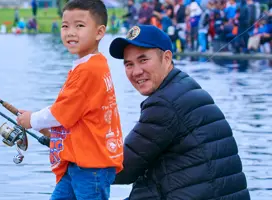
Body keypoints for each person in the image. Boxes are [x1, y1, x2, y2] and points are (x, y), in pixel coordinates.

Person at [109, 25, 250, 199]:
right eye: (129, 64)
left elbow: (122, 169)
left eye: (143, 60)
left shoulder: (165, 103)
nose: (136, 71)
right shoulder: (182, 88)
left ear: (167, 58)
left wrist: (71, 161)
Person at [16, 0, 124, 199]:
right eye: (65, 26)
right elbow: (76, 110)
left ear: (99, 32)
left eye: (80, 26)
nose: (70, 32)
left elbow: (62, 111)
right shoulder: (90, 65)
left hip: (91, 166)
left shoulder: (89, 70)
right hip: (78, 162)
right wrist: (48, 126)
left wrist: (32, 120)